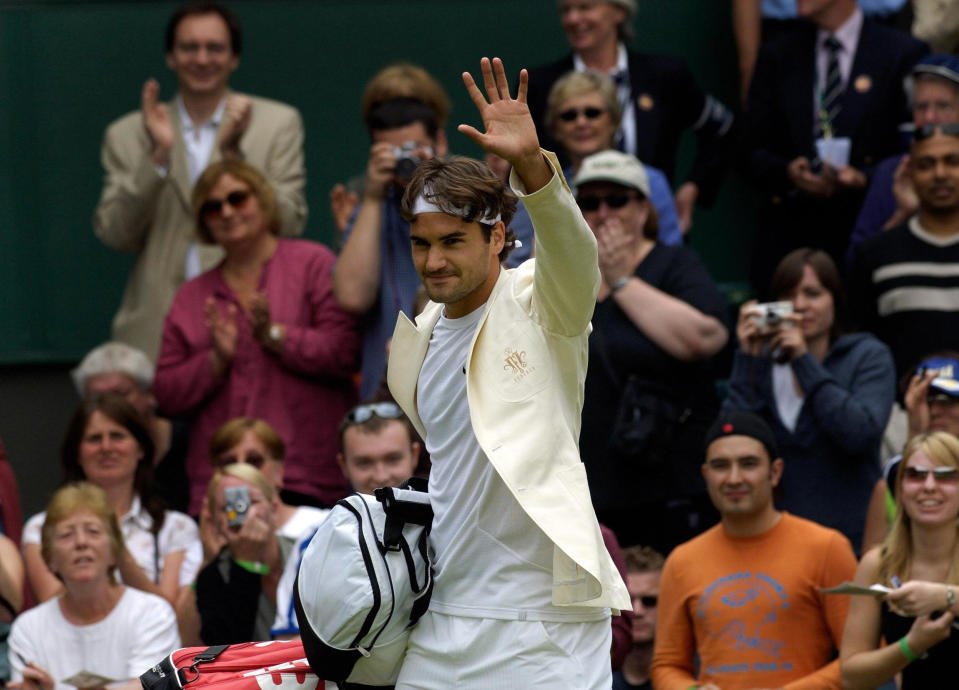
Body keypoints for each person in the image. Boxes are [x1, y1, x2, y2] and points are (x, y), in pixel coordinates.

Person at [385, 57, 629, 689]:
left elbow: (575, 251)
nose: (433, 261)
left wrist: (530, 167)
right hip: (443, 618)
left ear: (498, 238)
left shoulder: (543, 301)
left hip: (548, 626)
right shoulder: (423, 329)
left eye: (453, 241)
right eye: (421, 242)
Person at [93, 1, 307, 362]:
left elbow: (290, 221)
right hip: (158, 329)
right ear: (170, 56)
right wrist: (157, 158)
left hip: (251, 318)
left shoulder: (276, 122)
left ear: (234, 58)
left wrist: (237, 159)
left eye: (215, 48)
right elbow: (115, 233)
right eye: (189, 47)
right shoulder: (128, 133)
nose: (202, 59)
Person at [153, 159, 360, 516]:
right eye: (213, 207)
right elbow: (166, 394)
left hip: (304, 477)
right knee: (239, 570)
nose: (227, 212)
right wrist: (215, 361)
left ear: (262, 200)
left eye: (237, 198)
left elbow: (345, 351)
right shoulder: (192, 296)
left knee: (307, 570)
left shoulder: (311, 263)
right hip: (224, 484)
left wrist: (276, 336)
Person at [572, 149, 729, 553]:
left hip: (668, 480)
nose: (603, 212)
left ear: (643, 208)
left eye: (617, 200)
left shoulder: (673, 264)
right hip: (591, 486)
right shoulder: (567, 275)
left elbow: (706, 337)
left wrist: (622, 279)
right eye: (589, 202)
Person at [651, 410, 858, 689]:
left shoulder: (827, 548)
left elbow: (862, 657)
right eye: (721, 466)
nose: (734, 478)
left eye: (748, 464)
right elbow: (666, 665)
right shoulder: (682, 560)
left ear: (775, 472)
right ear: (706, 475)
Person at [743, 0, 927, 290]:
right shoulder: (778, 54)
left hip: (865, 232)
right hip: (789, 242)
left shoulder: (901, 52)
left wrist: (865, 178)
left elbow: (915, 150)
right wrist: (787, 173)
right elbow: (750, 150)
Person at [726, 247, 895, 551]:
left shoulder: (868, 356)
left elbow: (859, 434)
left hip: (852, 540)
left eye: (813, 294)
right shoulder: (762, 364)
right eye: (788, 296)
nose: (800, 305)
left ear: (835, 300)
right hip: (777, 542)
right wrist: (747, 358)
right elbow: (731, 440)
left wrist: (803, 359)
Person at [526, 0, 735, 231]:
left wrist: (694, 187)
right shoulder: (540, 85)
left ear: (619, 11)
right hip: (569, 231)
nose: (573, 19)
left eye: (586, 7)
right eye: (566, 10)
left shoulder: (664, 76)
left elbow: (722, 129)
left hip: (655, 232)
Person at [22, 395, 201, 614]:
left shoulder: (176, 527)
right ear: (77, 452)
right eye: (94, 439)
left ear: (141, 449)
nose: (106, 447)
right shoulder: (41, 528)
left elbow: (168, 614)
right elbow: (48, 610)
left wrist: (116, 550)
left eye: (117, 436)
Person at [270, 401, 421, 640]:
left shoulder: (447, 526)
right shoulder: (316, 541)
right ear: (343, 466)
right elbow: (290, 643)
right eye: (364, 463)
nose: (381, 475)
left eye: (392, 459)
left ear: (414, 455)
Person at [8, 482, 180, 690]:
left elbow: (148, 687)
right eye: (66, 535)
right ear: (50, 558)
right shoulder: (28, 629)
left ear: (115, 550)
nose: (81, 542)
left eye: (93, 531)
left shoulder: (153, 614)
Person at [840, 432, 959, 688]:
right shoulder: (879, 563)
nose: (929, 486)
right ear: (900, 489)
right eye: (916, 475)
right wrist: (911, 646)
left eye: (945, 475)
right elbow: (851, 677)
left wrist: (946, 597)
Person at [849, 123, 959, 381]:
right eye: (926, 164)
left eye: (952, 161)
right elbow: (859, 350)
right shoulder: (875, 256)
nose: (940, 174)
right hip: (899, 416)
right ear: (908, 173)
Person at [545, 70, 682, 245]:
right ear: (555, 128)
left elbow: (672, 253)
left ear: (614, 120)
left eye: (592, 113)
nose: (581, 123)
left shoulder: (651, 182)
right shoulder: (548, 191)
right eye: (569, 116)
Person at [848, 54, 959, 263]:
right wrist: (901, 215)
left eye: (943, 106)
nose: (930, 118)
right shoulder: (892, 173)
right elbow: (856, 267)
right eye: (921, 107)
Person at [72, 341, 189, 512]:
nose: (110, 406)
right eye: (98, 398)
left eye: (120, 394)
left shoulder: (190, 441)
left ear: (149, 394)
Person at [205, 417, 328, 560]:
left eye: (254, 461)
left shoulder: (321, 524)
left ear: (279, 472)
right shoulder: (205, 531)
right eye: (229, 463)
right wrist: (209, 558)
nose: (241, 470)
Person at [192, 463, 285, 644]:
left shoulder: (306, 551)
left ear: (274, 509)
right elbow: (225, 647)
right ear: (214, 521)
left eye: (252, 502)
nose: (243, 514)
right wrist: (245, 564)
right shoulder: (212, 577)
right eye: (229, 506)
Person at [613, 545, 663, 690]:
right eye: (627, 600)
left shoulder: (695, 673)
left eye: (650, 601)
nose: (637, 611)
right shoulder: (591, 674)